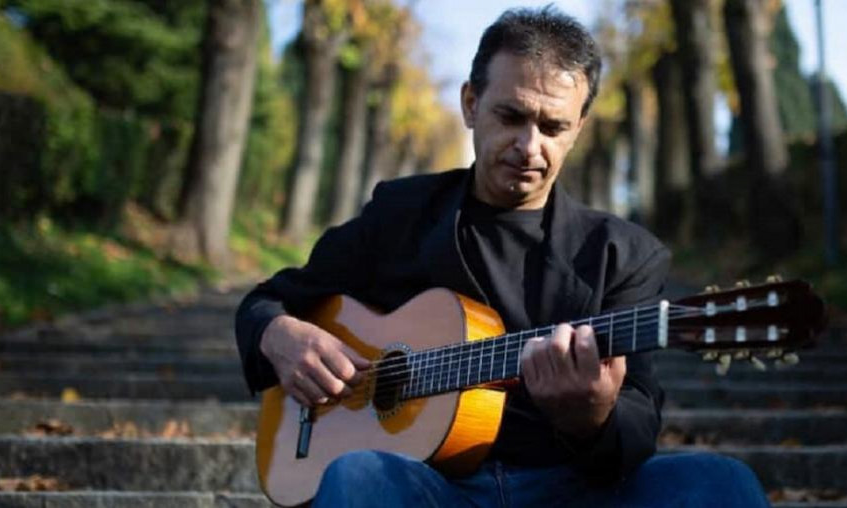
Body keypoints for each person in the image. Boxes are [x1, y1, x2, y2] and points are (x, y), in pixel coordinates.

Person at [235, 6, 770, 507]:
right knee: (356, 477)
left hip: (573, 488)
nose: (529, 146)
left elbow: (636, 434)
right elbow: (268, 301)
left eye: (553, 127)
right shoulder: (400, 212)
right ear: (471, 104)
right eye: (511, 116)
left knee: (723, 483)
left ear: (579, 128)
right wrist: (278, 335)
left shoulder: (624, 255)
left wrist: (591, 416)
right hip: (428, 486)